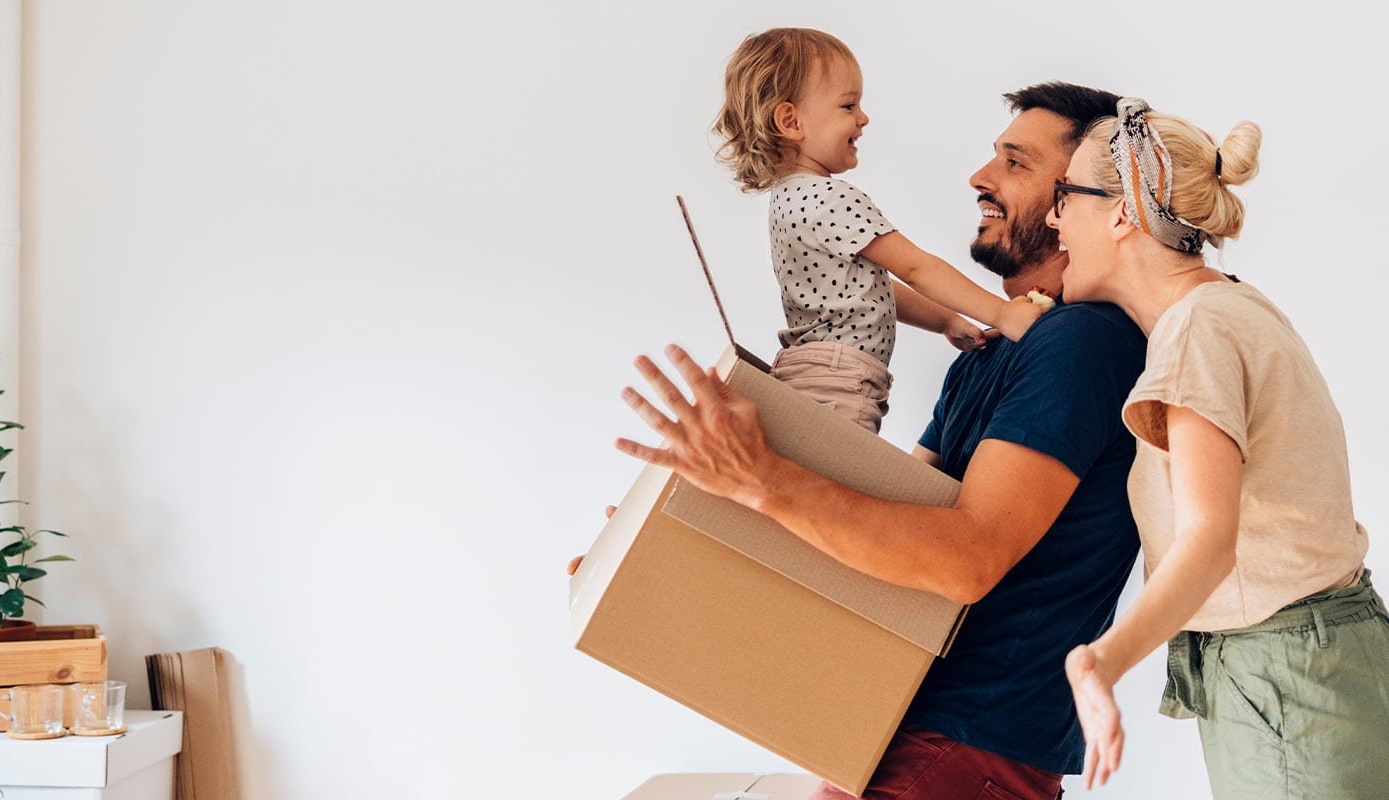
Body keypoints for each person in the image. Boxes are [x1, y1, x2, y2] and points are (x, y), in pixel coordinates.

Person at [573, 82, 1140, 799]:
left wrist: (759, 479)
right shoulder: (995, 349)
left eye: (1015, 163)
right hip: (904, 733)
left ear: (1080, 202)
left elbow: (965, 561)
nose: (980, 178)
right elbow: (879, 535)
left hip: (969, 748)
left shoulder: (1082, 342)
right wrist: (685, 536)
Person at [1051, 98, 1387, 797]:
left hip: (1288, 679)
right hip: (1309, 666)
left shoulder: (1196, 329)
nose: (1054, 220)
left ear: (1121, 215)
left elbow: (1210, 540)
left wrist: (1099, 664)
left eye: (1064, 197)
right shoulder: (1231, 306)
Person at [712, 28, 1045, 432]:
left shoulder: (789, 199)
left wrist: (945, 321)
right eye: (848, 105)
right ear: (791, 121)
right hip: (840, 381)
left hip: (809, 372)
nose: (863, 117)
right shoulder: (830, 198)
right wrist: (1003, 313)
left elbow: (869, 287)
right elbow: (916, 268)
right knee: (839, 481)